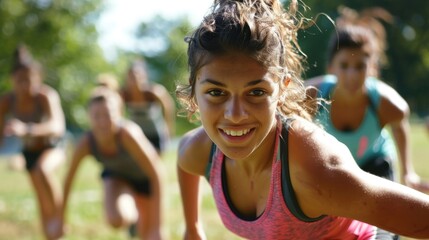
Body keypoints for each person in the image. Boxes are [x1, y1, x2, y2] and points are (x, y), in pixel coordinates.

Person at [176, 0, 429, 239]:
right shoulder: (200, 152)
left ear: (282, 88)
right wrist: (193, 228)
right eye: (216, 92)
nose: (235, 114)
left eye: (256, 92)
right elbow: (183, 160)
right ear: (194, 91)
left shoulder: (313, 169)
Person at [305, 6, 429, 192]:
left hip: (375, 164)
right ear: (330, 67)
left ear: (373, 69)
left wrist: (408, 171)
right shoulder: (312, 96)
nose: (352, 74)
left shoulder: (387, 104)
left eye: (360, 66)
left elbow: (400, 122)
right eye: (344, 65)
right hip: (332, 166)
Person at [61, 87, 164, 239]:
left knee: (150, 236)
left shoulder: (128, 135)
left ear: (119, 114)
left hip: (145, 180)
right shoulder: (87, 143)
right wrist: (60, 218)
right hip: (118, 179)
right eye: (97, 116)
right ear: (89, 117)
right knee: (116, 219)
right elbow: (69, 179)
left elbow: (157, 173)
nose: (103, 122)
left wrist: (157, 227)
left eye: (108, 115)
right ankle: (133, 217)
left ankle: (139, 220)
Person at [0, 44, 65, 239]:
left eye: (29, 80)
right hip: (29, 152)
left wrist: (27, 129)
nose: (25, 85)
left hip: (53, 147)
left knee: (43, 169)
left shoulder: (45, 96)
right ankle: (51, 234)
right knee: (42, 203)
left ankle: (61, 219)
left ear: (37, 78)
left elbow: (57, 126)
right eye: (20, 80)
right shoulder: (7, 101)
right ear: (12, 79)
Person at [120, 59, 175, 154]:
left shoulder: (153, 92)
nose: (134, 79)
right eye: (131, 76)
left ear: (144, 76)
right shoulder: (124, 95)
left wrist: (168, 127)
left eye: (137, 75)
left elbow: (168, 106)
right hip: (137, 134)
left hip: (155, 132)